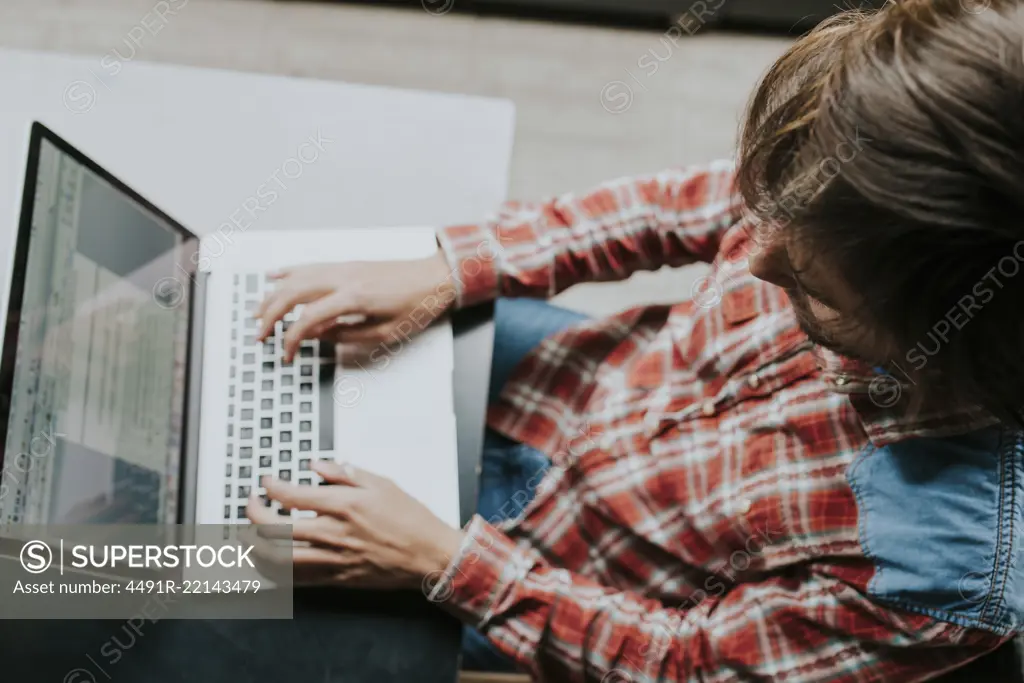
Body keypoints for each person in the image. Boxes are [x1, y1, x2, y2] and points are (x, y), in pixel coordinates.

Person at [246, 1, 1024, 680]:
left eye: (811, 288)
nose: (756, 252)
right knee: (242, 311)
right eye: (772, 204)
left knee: (164, 567)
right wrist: (455, 269)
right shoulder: (864, 170)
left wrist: (441, 562)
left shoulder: (944, 573)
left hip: (547, 577)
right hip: (562, 380)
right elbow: (670, 207)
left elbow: (682, 664)